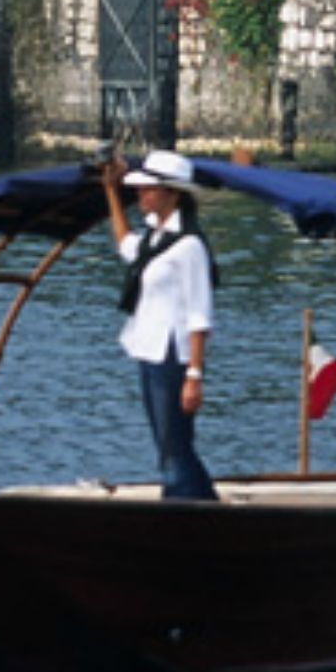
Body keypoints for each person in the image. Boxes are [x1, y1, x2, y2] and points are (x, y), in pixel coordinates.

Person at [102, 149, 218, 501]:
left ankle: (184, 502)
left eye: (148, 189)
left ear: (172, 194)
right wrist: (110, 191)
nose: (141, 194)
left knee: (174, 444)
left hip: (173, 354)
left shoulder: (190, 246)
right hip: (149, 348)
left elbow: (199, 314)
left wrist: (194, 375)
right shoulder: (155, 238)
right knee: (167, 442)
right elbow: (126, 245)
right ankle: (197, 501)